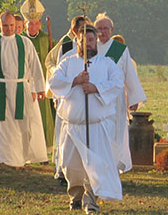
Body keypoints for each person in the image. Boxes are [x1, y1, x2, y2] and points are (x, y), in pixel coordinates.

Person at [48, 24, 124, 214]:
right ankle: (75, 196)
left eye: (92, 40)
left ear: (96, 41)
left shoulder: (107, 64)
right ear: (77, 42)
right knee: (71, 166)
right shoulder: (67, 63)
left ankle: (91, 202)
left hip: (96, 127)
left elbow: (116, 84)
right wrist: (75, 81)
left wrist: (95, 88)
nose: (89, 44)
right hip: (73, 127)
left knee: (95, 165)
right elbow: (54, 83)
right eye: (84, 41)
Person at [0, 11, 48, 167]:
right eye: (5, 25)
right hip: (0, 88)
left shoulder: (25, 43)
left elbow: (35, 66)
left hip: (21, 87)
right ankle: (3, 159)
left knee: (22, 124)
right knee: (2, 125)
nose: (9, 28)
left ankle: (21, 159)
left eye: (11, 25)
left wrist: (40, 88)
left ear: (15, 25)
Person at [94, 13, 147, 173]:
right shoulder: (91, 48)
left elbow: (129, 74)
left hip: (116, 100)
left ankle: (114, 163)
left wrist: (133, 97)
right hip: (96, 99)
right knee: (99, 132)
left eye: (105, 28)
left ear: (112, 30)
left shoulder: (120, 50)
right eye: (99, 29)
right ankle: (99, 164)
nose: (103, 32)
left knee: (116, 132)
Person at [45, 15, 90, 184]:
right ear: (74, 31)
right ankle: (61, 170)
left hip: (87, 103)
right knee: (63, 138)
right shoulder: (65, 47)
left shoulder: (94, 48)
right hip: (68, 100)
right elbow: (55, 71)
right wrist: (58, 96)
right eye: (81, 30)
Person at [20, 0, 55, 152]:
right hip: (24, 84)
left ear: (39, 24)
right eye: (30, 24)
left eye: (35, 24)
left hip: (42, 83)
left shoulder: (46, 39)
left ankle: (45, 148)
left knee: (44, 116)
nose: (33, 27)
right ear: (25, 24)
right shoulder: (19, 40)